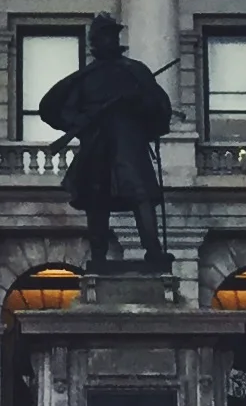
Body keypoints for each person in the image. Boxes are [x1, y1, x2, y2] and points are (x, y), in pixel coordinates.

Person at [37, 13, 173, 272]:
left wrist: (137, 103)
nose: (107, 40)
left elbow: (159, 107)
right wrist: (84, 119)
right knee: (96, 201)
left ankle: (153, 250)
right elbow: (59, 110)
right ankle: (98, 255)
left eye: (111, 35)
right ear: (95, 42)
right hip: (97, 146)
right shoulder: (86, 77)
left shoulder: (135, 71)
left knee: (141, 197)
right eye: (102, 36)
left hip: (128, 146)